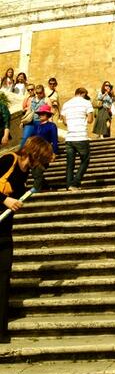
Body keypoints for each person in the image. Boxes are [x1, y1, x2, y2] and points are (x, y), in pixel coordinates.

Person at [1, 136, 54, 342]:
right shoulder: (8, 160)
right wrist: (5, 199)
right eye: (43, 159)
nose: (43, 165)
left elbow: (17, 192)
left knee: (4, 277)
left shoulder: (25, 172)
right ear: (35, 154)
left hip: (4, 229)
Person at [61, 87, 93, 191]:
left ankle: (68, 185)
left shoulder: (66, 104)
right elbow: (90, 120)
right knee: (85, 160)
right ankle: (75, 183)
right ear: (83, 93)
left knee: (70, 163)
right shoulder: (87, 103)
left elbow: (65, 122)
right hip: (81, 136)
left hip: (69, 137)